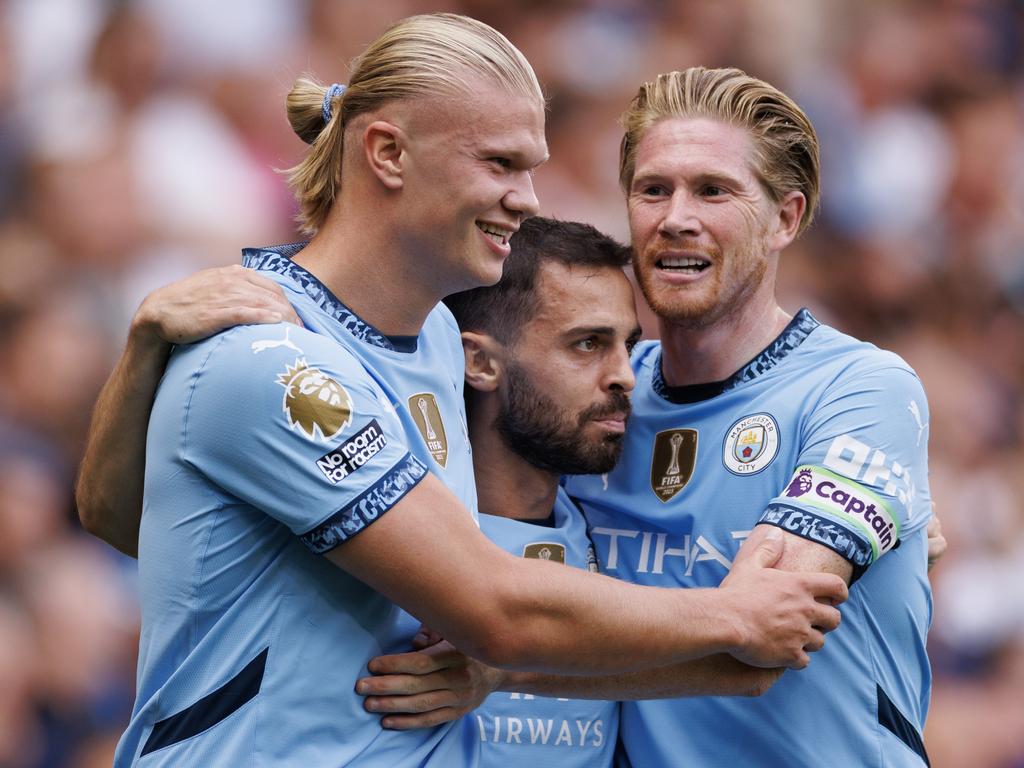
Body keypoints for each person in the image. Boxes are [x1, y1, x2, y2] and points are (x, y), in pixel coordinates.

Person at [75, 18, 846, 767]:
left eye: (533, 167)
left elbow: (133, 517)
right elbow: (494, 610)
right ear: (386, 153)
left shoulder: (439, 339)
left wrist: (861, 511)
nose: (530, 199)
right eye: (502, 165)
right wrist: (732, 614)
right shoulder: (273, 361)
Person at [360, 67, 937, 768]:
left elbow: (758, 641)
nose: (676, 217)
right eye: (653, 189)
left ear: (785, 217)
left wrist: (502, 667)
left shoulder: (858, 390)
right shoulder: (596, 402)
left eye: (713, 190)